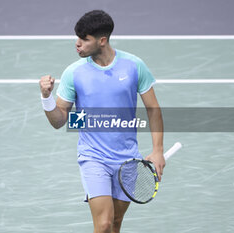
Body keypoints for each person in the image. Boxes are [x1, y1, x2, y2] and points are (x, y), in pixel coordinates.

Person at [39, 10, 164, 233]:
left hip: (127, 158)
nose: (77, 44)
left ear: (102, 40)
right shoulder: (73, 73)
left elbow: (153, 109)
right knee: (104, 223)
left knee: (115, 224)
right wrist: (46, 98)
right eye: (77, 38)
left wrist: (157, 150)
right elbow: (59, 121)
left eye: (84, 39)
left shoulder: (134, 66)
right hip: (93, 157)